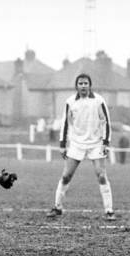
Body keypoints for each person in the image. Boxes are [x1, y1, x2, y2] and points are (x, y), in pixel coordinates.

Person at [47, 73, 116, 221]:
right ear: (76, 86)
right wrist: (62, 144)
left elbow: (106, 122)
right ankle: (57, 207)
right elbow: (65, 123)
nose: (83, 86)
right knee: (66, 176)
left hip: (96, 143)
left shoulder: (98, 101)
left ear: (90, 85)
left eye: (86, 83)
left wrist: (106, 142)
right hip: (76, 144)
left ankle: (109, 210)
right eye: (81, 83)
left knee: (101, 175)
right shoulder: (70, 102)